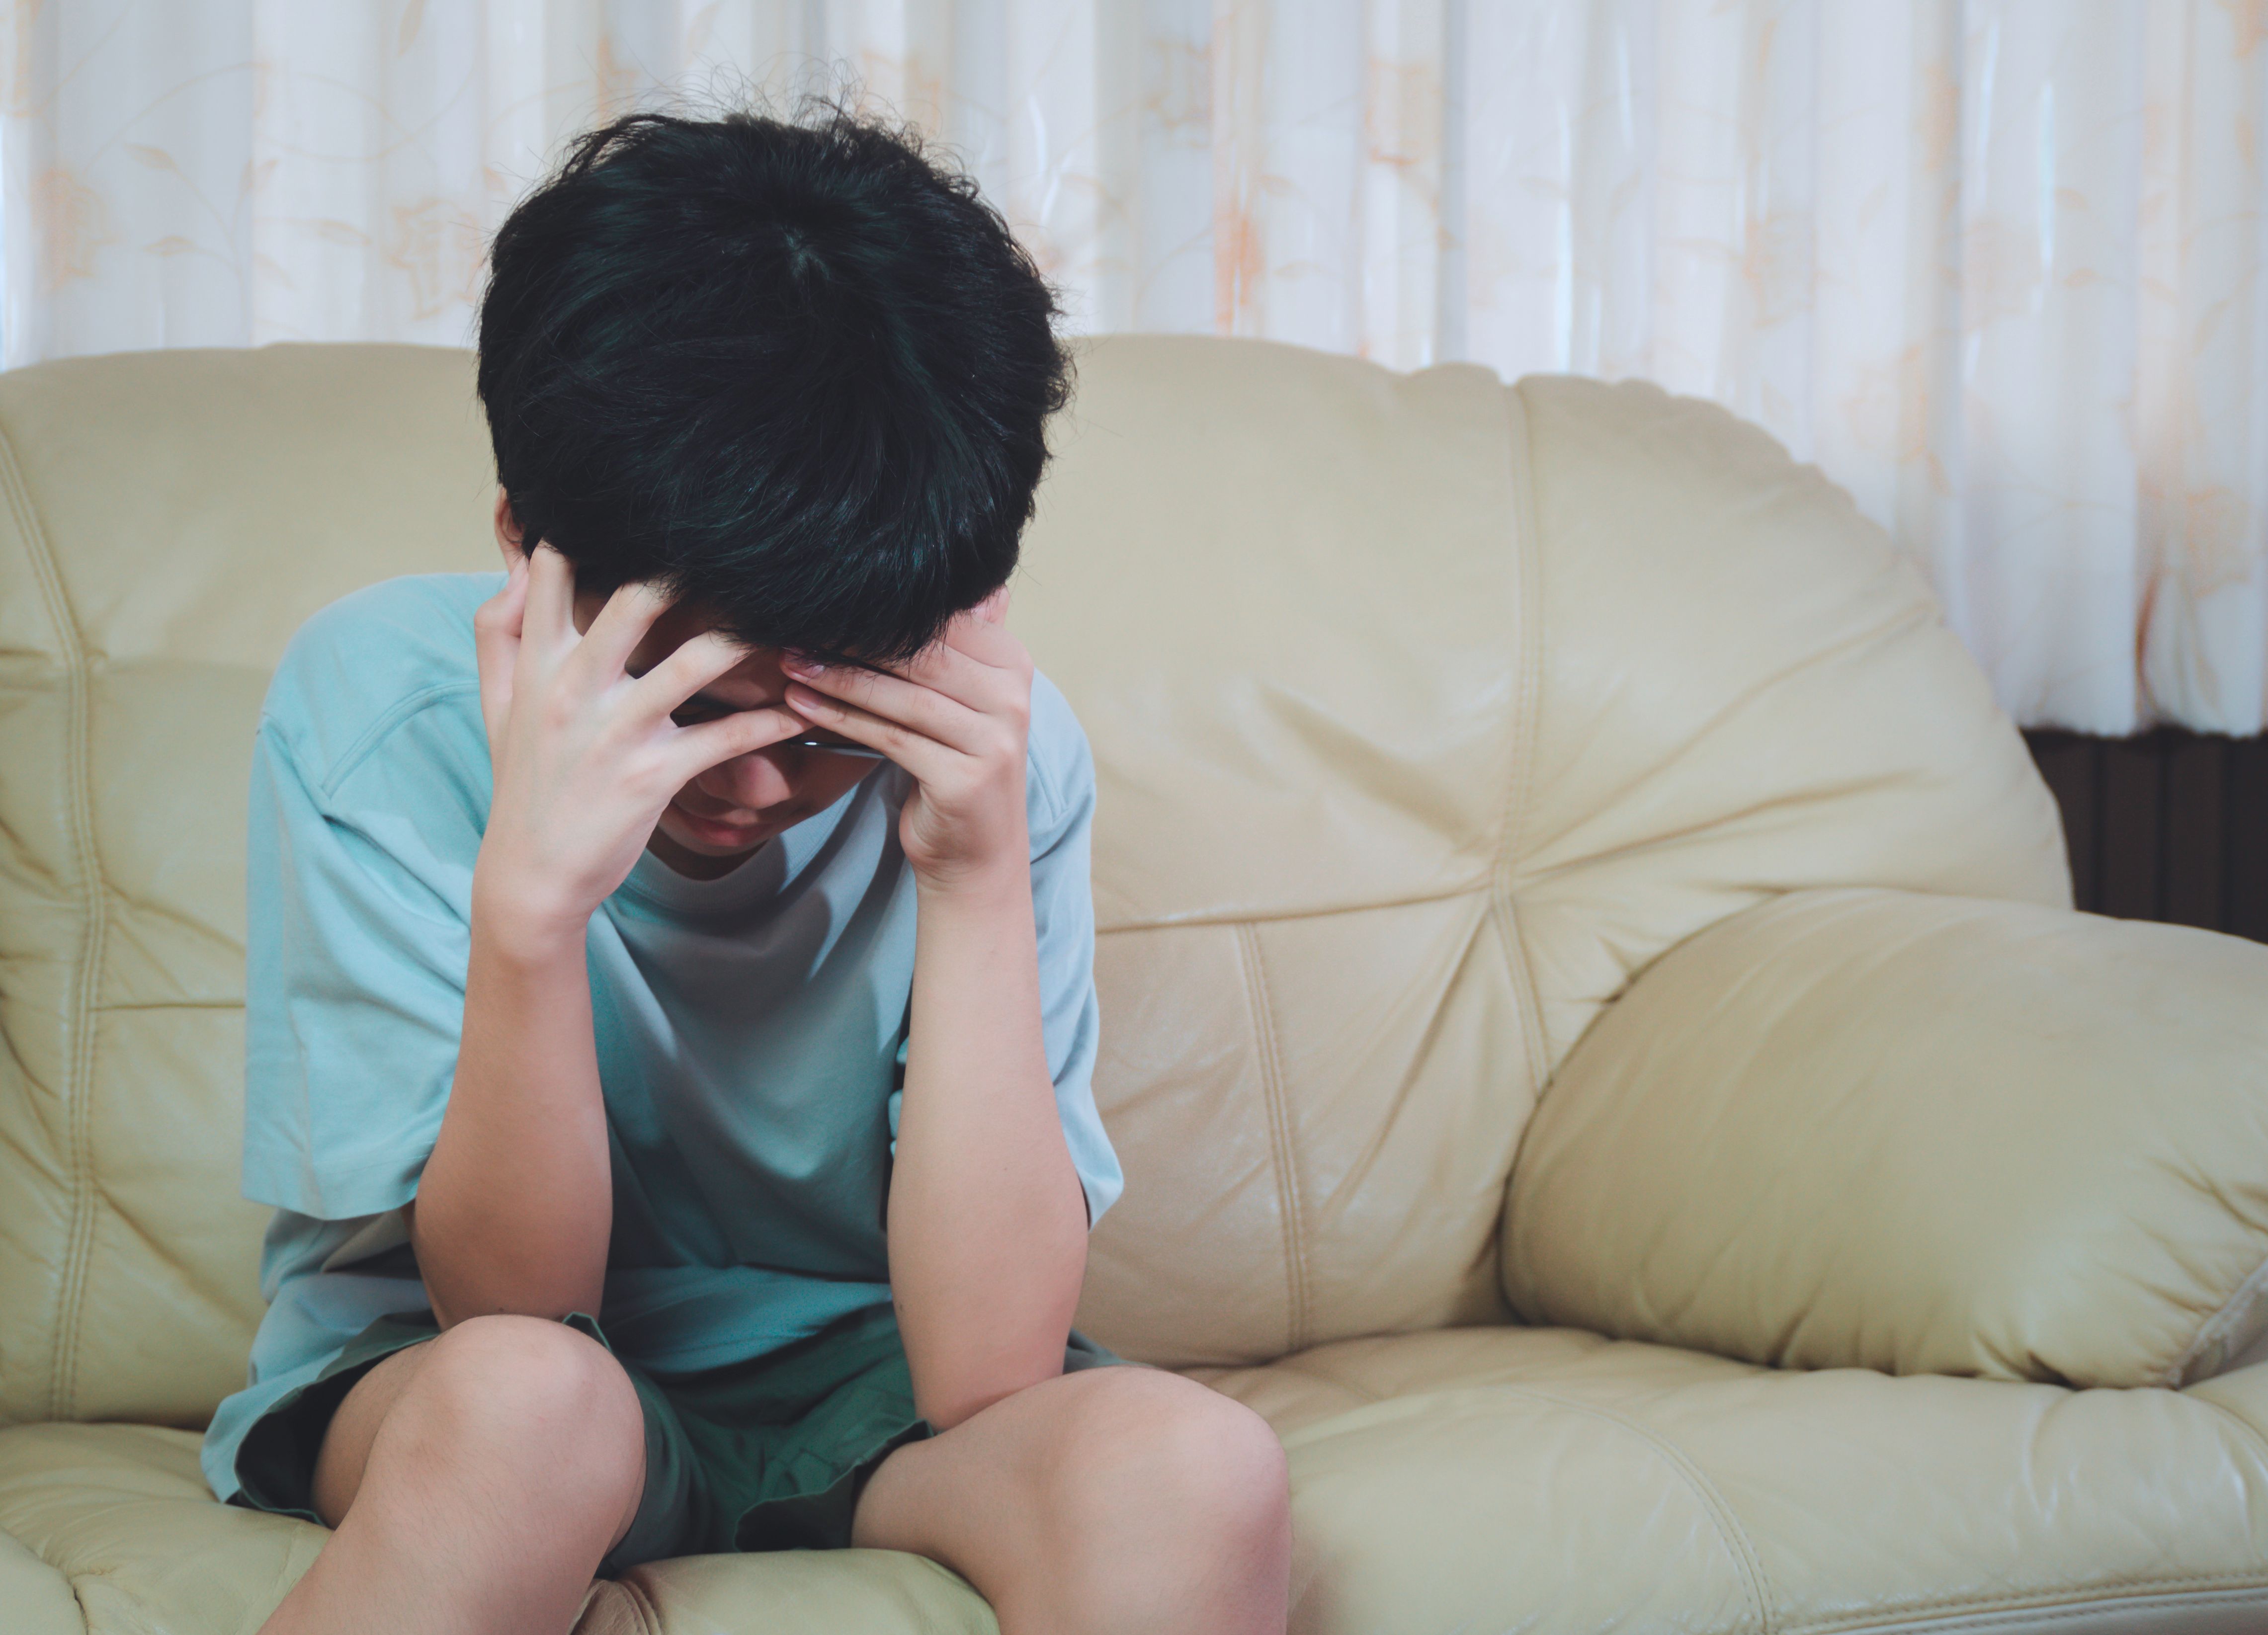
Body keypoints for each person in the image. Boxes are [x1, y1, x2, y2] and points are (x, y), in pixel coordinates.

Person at [200, 103, 1292, 1635]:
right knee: (534, 1404)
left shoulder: (990, 756)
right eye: (693, 717)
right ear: (528, 553)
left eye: (827, 728)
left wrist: (973, 879)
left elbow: (986, 1372)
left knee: (1197, 1466)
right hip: (469, 1366)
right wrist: (532, 910)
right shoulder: (377, 713)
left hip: (880, 1378)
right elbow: (515, 1313)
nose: (760, 791)